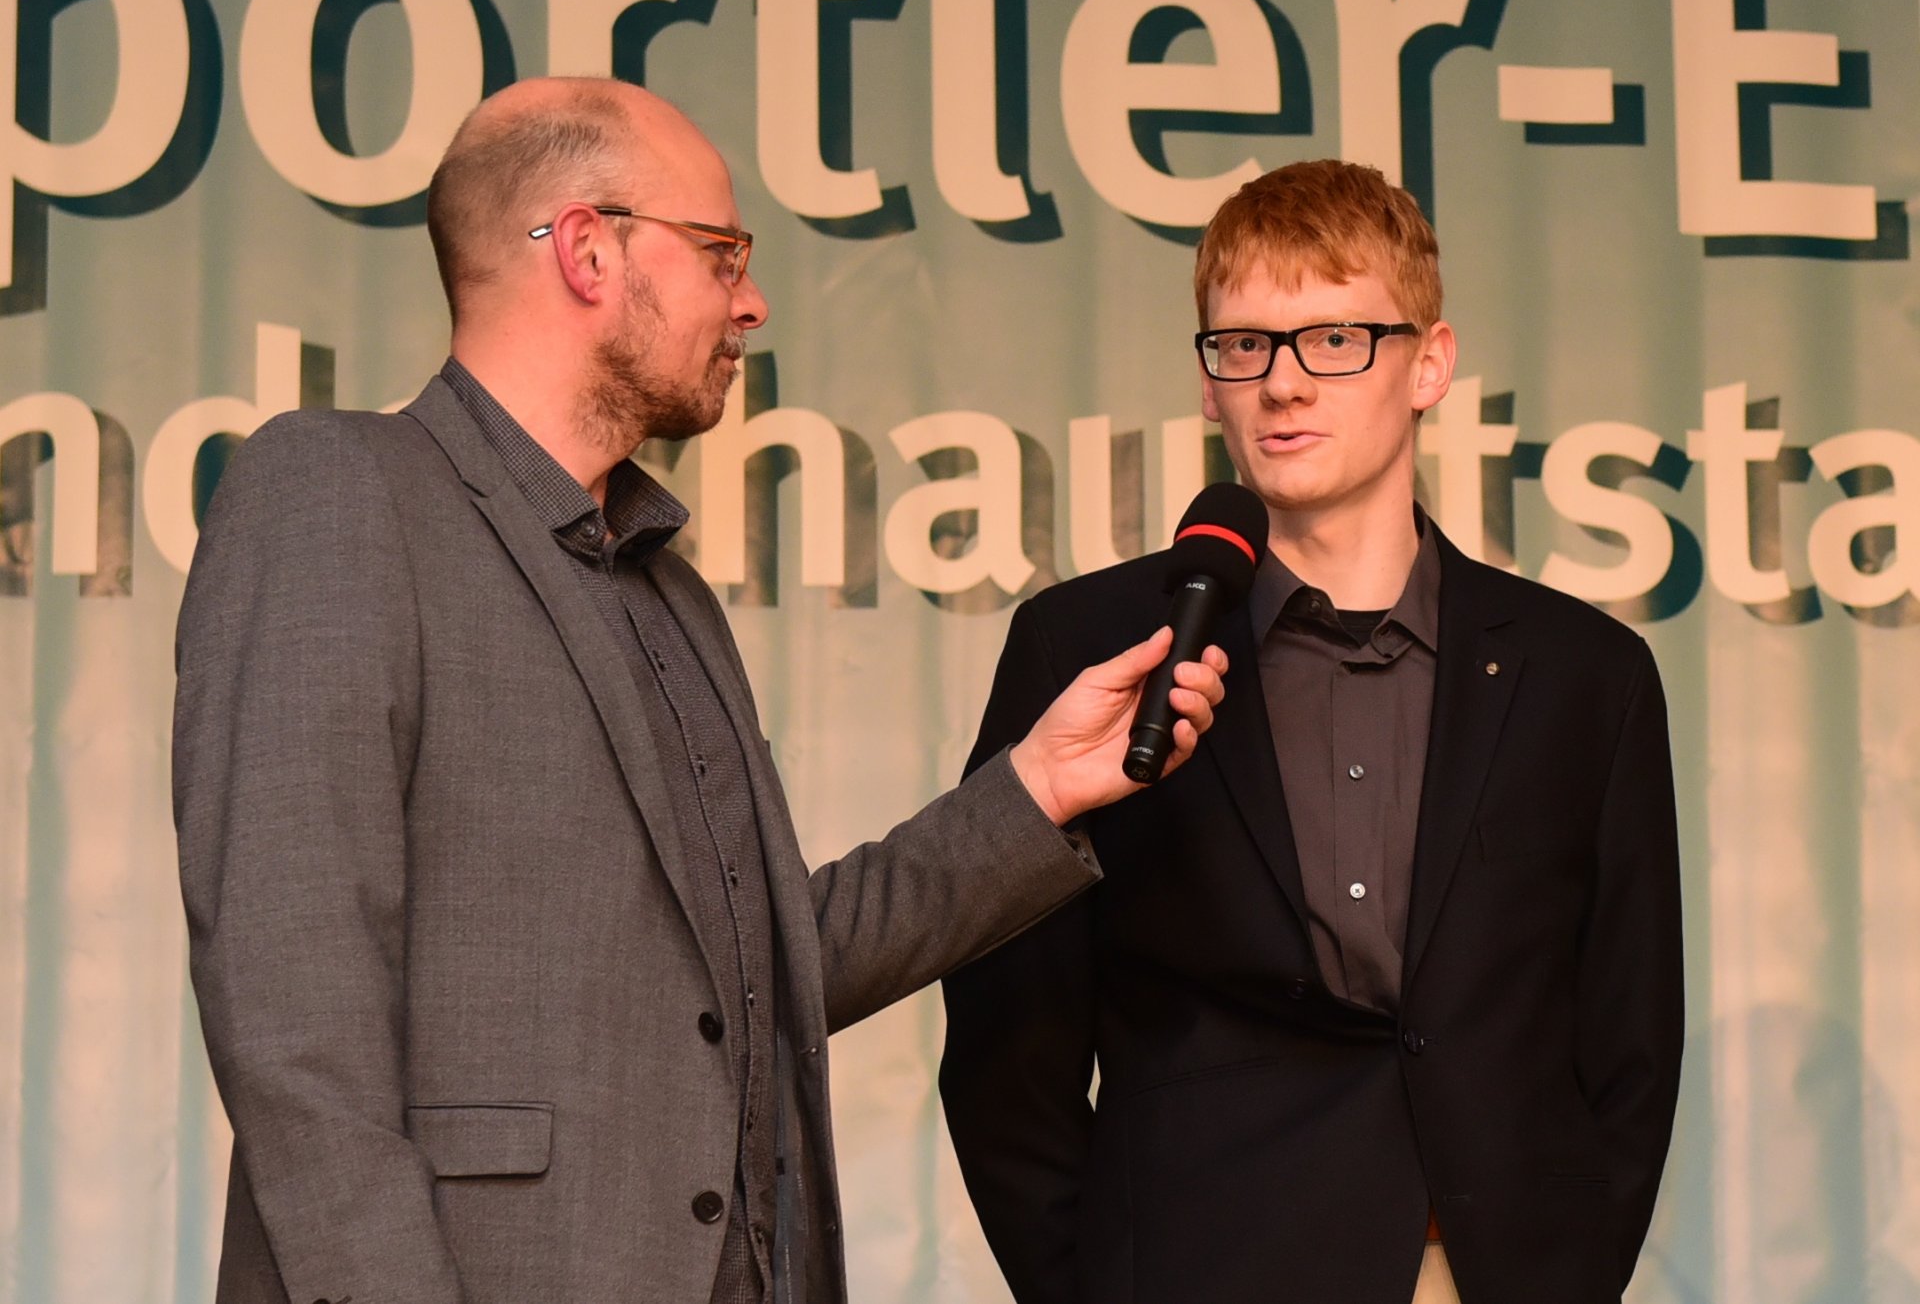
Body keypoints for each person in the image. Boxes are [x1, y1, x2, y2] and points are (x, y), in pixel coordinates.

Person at [171, 77, 1227, 1304]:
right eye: (723, 252)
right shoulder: (339, 488)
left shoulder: (671, 593)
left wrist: (1040, 787)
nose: (752, 299)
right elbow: (297, 1020)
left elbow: (756, 968)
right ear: (586, 249)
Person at [940, 160, 1684, 1304]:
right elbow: (1008, 1048)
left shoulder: (1587, 676)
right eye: (1243, 346)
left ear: (1428, 363)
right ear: (1209, 384)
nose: (1283, 384)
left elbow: (1628, 1047)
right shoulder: (1093, 645)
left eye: (1336, 339)